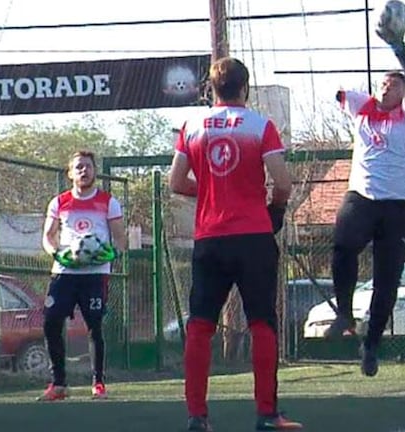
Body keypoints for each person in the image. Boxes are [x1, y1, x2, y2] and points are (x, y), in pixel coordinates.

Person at [169, 56, 302, 431]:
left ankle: (197, 416)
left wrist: (211, 191)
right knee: (262, 322)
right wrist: (273, 210)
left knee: (200, 325)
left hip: (209, 238)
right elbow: (283, 183)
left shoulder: (191, 126)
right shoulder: (261, 125)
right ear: (245, 87)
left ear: (210, 89)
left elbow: (176, 183)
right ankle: (266, 414)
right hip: (253, 236)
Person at [323, 15, 405, 378]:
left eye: (394, 85)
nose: (386, 88)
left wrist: (399, 47)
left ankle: (372, 345)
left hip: (398, 207)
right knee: (342, 245)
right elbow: (337, 94)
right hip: (362, 198)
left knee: (387, 281)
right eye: (382, 83)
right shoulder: (362, 108)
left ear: (403, 93)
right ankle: (345, 314)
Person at [37, 150, 126, 401]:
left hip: (94, 275)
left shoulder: (109, 202)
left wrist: (111, 255)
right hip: (64, 273)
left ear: (94, 171)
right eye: (78, 167)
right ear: (70, 173)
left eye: (87, 166)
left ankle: (98, 384)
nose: (83, 171)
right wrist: (56, 254)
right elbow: (47, 237)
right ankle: (59, 384)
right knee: (51, 322)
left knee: (94, 326)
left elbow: (120, 239)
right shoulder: (59, 202)